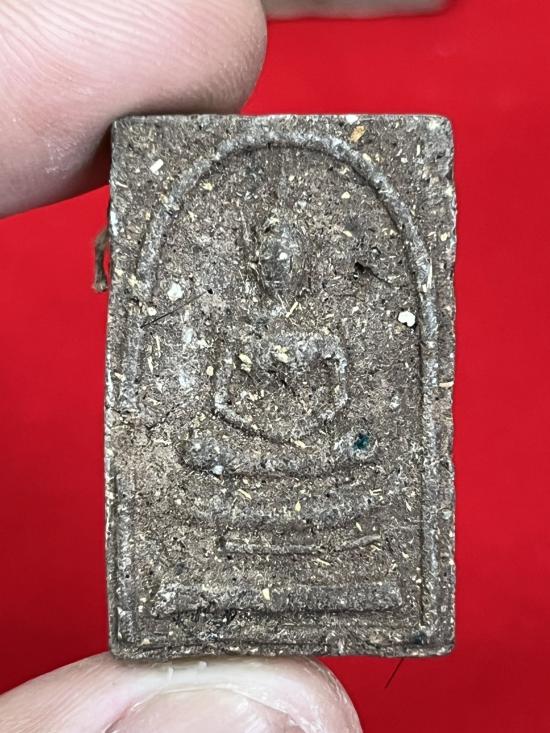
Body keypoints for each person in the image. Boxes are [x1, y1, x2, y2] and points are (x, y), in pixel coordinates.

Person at [0, 1, 361, 730]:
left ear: (301, 266)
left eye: (287, 258)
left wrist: (299, 433)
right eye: (268, 258)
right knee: (197, 451)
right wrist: (257, 429)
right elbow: (221, 398)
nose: (277, 267)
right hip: (244, 451)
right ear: (257, 266)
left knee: (356, 453)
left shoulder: (324, 331)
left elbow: (337, 402)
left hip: (303, 455)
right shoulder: (240, 325)